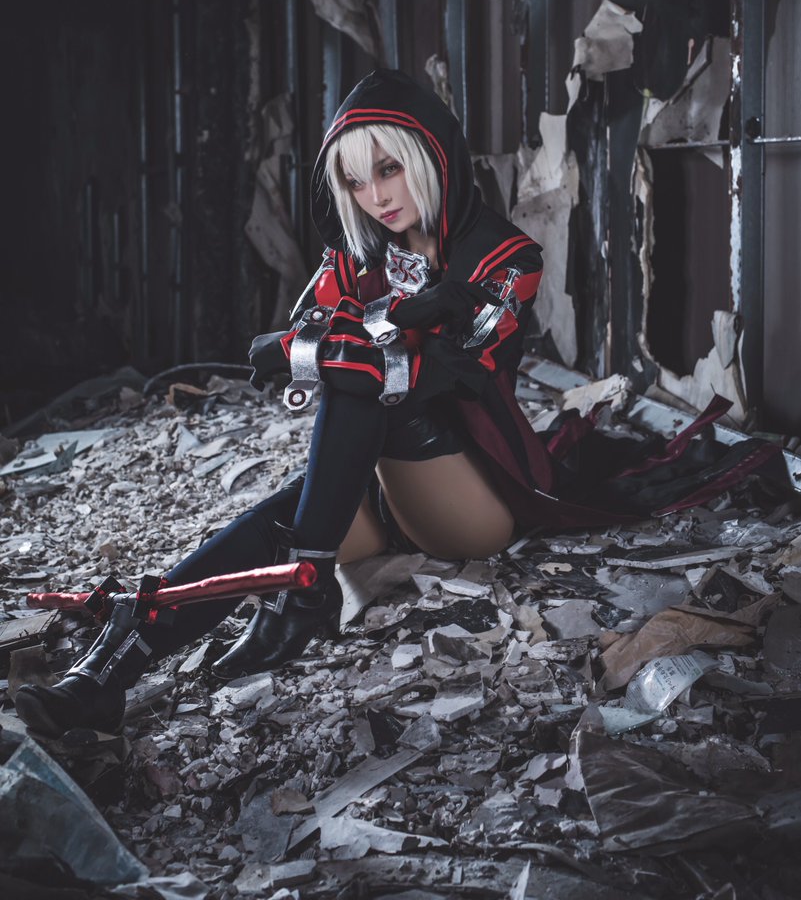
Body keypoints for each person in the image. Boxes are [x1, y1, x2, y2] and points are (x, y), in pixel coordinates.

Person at [15, 67, 761, 739]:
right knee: (278, 523)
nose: (375, 196)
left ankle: (302, 595)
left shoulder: (507, 258)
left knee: (369, 382)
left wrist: (328, 344)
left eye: (389, 168)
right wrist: (327, 342)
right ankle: (105, 674)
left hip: (475, 495)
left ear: (432, 156)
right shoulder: (354, 255)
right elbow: (311, 339)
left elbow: (426, 372)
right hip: (380, 486)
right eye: (356, 180)